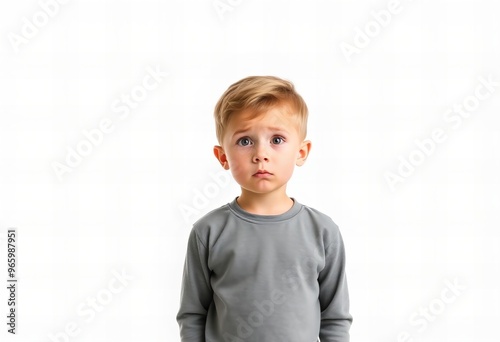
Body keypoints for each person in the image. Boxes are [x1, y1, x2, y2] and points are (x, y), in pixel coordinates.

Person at [176, 76, 353, 341]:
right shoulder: (208, 232)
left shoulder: (323, 231)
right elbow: (193, 314)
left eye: (277, 140)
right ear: (223, 156)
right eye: (245, 141)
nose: (261, 154)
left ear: (301, 152)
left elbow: (335, 317)